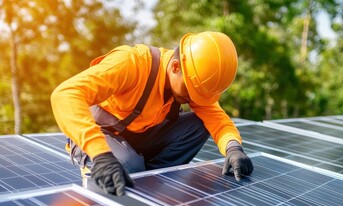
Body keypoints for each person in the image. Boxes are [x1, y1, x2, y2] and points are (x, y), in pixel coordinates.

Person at [51, 31, 254, 196]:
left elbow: (217, 118)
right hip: (101, 135)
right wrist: (101, 154)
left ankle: (147, 183)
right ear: (175, 67)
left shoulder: (191, 77)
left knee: (199, 124)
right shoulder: (131, 63)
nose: (195, 99)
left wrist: (233, 148)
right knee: (128, 165)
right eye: (192, 92)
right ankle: (102, 171)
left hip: (138, 136)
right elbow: (66, 94)